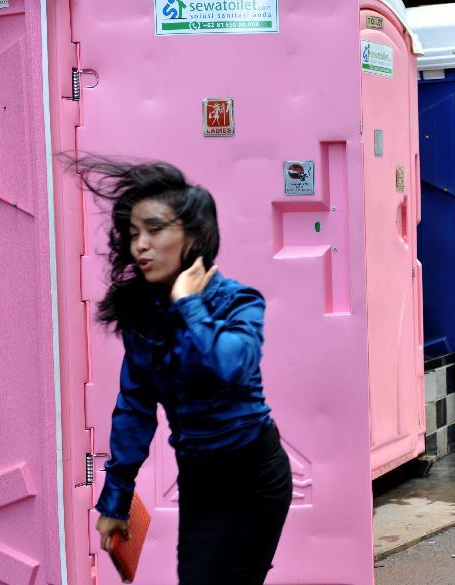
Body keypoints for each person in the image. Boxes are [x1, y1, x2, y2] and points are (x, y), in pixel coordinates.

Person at [76, 156, 293, 585]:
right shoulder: (143, 319)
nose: (140, 245)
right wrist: (115, 501)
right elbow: (134, 410)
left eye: (154, 230)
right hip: (200, 479)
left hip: (255, 476)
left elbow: (229, 365)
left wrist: (189, 304)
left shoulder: (238, 302)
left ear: (194, 235)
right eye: (134, 233)